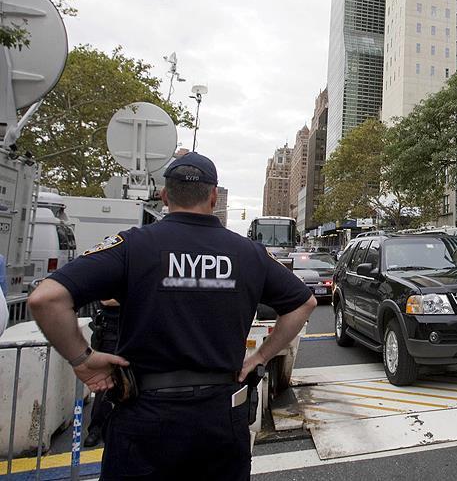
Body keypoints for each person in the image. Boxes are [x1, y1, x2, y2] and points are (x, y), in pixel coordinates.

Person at [28, 152, 317, 480]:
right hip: (219, 418)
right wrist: (260, 356)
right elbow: (303, 303)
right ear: (213, 196)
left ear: (165, 196)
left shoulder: (133, 246)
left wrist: (82, 358)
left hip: (145, 417)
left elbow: (46, 298)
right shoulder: (248, 253)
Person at [83, 299, 121, 448]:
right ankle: (96, 427)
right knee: (104, 382)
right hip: (111, 331)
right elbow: (107, 301)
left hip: (134, 329)